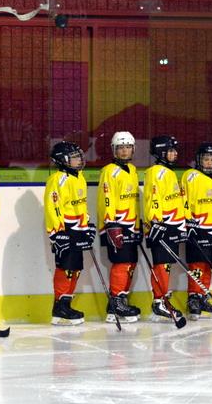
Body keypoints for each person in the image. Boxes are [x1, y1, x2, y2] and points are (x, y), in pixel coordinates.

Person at [44, 141, 96, 325]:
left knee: (75, 268)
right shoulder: (57, 180)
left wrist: (88, 224)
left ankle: (66, 303)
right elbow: (53, 208)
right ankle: (59, 307)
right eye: (74, 157)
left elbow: (81, 204)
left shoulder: (79, 177)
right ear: (62, 160)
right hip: (65, 230)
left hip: (78, 229)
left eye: (78, 156)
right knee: (65, 268)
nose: (78, 159)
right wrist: (57, 234)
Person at [181, 142, 212, 320]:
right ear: (199, 160)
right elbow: (184, 200)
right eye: (206, 159)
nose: (209, 162)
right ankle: (193, 298)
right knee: (196, 264)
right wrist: (188, 221)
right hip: (197, 227)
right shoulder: (190, 176)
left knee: (208, 264)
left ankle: (202, 296)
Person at [97, 131, 142, 323]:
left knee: (131, 263)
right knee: (121, 263)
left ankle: (121, 299)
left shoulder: (132, 170)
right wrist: (111, 224)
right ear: (114, 150)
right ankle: (115, 302)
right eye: (120, 148)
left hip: (131, 225)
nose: (124, 151)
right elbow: (106, 198)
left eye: (128, 147)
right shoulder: (109, 170)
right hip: (116, 225)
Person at [143, 135, 187, 323]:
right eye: (170, 150)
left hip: (171, 226)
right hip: (161, 226)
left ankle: (161, 300)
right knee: (161, 264)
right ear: (161, 152)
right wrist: (155, 221)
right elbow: (153, 197)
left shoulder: (168, 172)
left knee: (167, 264)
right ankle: (159, 302)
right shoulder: (157, 172)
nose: (174, 154)